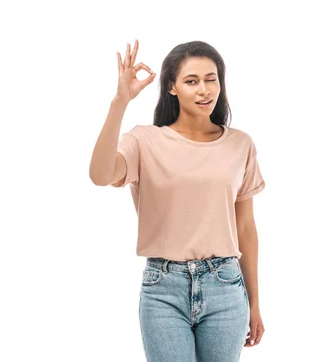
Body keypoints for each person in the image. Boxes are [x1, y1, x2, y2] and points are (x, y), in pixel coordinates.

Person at [89, 39, 266, 361]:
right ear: (171, 87)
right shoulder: (144, 140)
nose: (204, 90)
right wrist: (120, 102)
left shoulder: (240, 144)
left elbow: (246, 228)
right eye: (191, 81)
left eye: (211, 79)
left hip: (225, 286)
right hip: (163, 288)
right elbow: (100, 175)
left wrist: (254, 303)